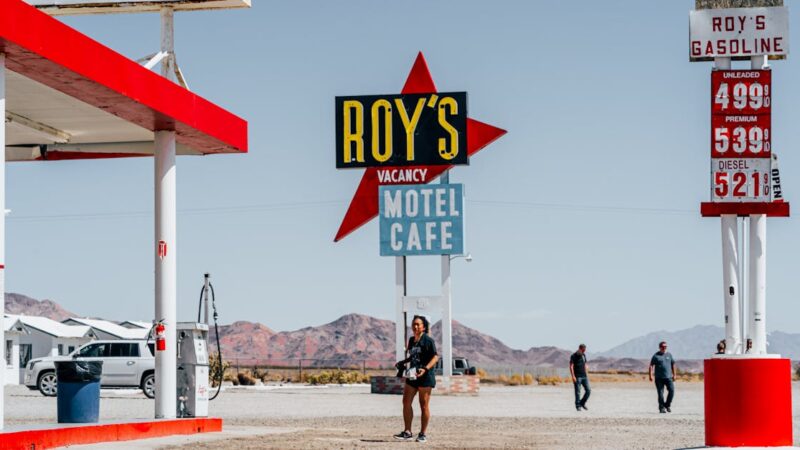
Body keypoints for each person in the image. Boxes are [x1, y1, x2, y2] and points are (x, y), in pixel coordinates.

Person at [393, 315, 439, 443]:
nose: (415, 326)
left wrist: (425, 368)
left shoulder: (428, 341)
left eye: (418, 324)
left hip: (425, 377)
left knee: (423, 405)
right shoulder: (412, 340)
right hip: (412, 375)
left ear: (423, 327)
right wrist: (403, 362)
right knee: (406, 402)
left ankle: (423, 434)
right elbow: (412, 356)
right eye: (414, 324)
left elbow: (435, 357)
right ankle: (407, 432)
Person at [649, 341, 676, 413]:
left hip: (668, 377)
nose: (664, 348)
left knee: (672, 391)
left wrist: (674, 374)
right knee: (660, 393)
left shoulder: (669, 355)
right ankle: (661, 408)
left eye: (665, 347)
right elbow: (651, 365)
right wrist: (650, 375)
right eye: (663, 347)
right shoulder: (656, 356)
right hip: (659, 378)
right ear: (660, 347)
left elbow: (673, 364)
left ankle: (667, 405)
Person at [569, 344, 590, 411]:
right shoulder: (573, 356)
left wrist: (586, 370)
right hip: (577, 377)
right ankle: (578, 406)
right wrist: (573, 376)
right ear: (579, 349)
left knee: (588, 390)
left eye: (584, 350)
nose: (584, 352)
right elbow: (571, 366)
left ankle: (582, 403)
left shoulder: (583, 355)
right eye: (583, 350)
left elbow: (585, 364)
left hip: (584, 376)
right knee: (578, 392)